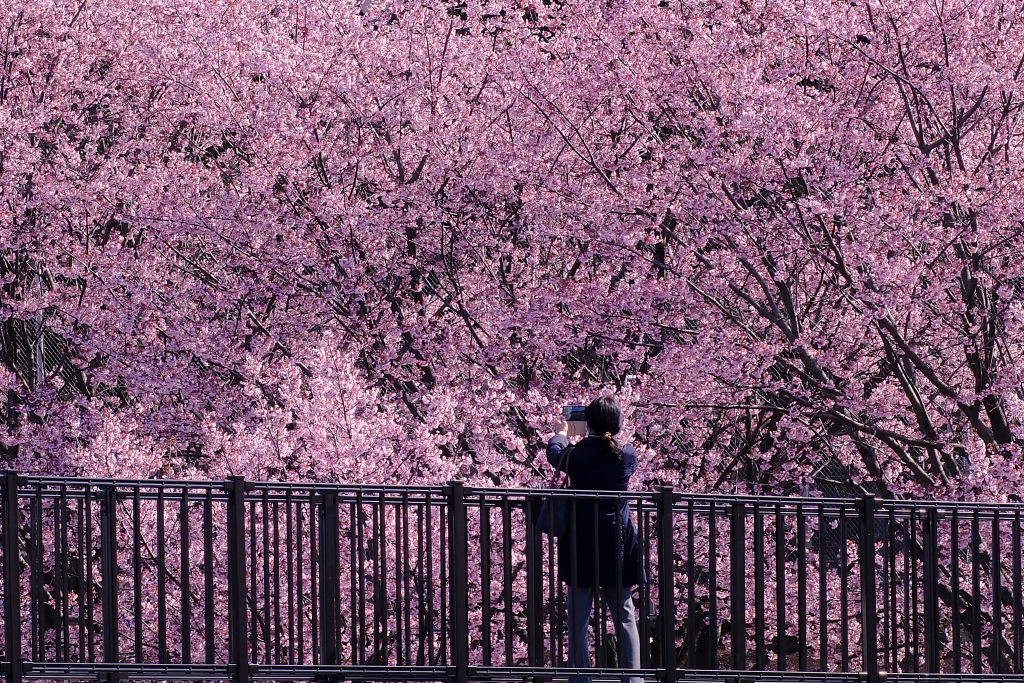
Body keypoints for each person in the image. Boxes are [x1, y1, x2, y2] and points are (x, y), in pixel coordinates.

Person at [547, 395, 643, 683]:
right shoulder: (626, 455)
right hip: (619, 543)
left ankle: (580, 677)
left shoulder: (577, 456)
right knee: (625, 615)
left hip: (581, 542)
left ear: (587, 423)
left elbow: (555, 453)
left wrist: (560, 434)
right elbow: (612, 452)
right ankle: (633, 678)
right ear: (617, 423)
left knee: (577, 618)